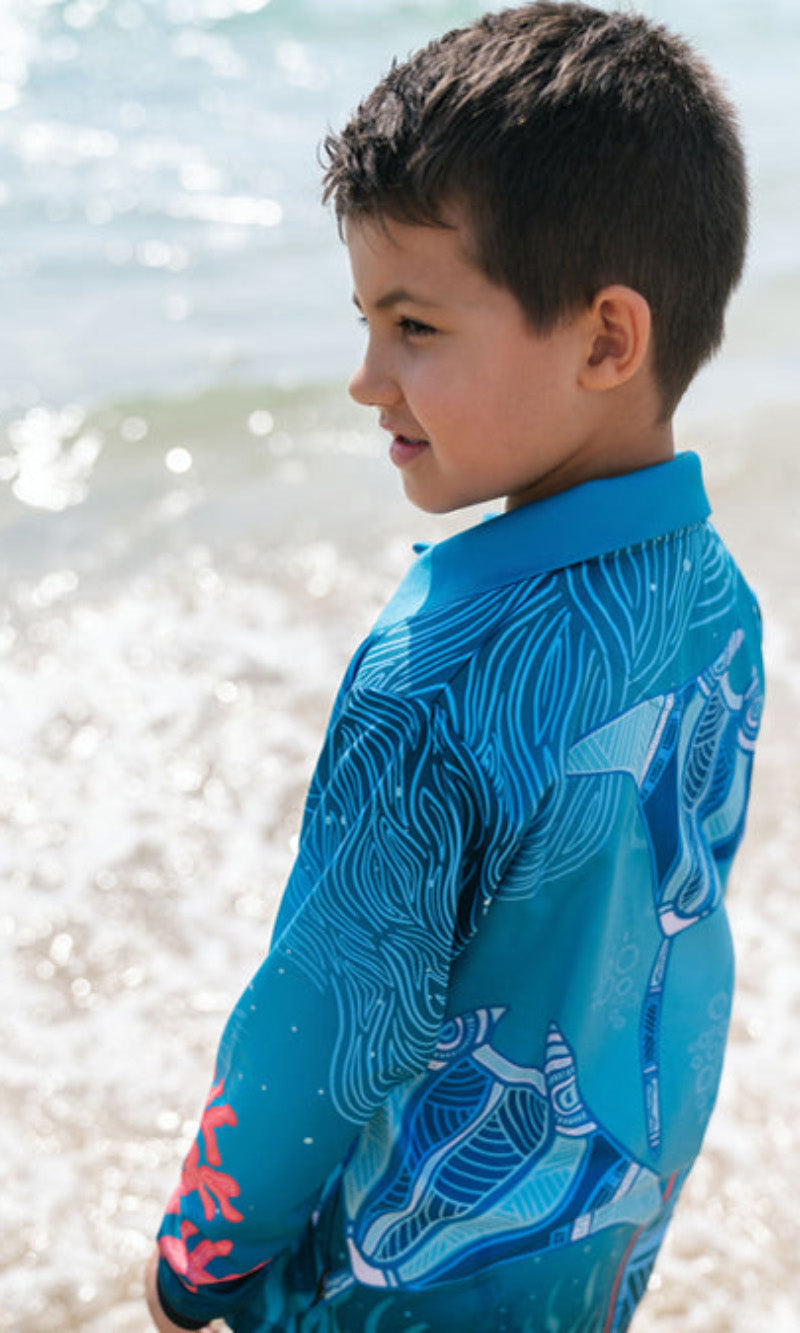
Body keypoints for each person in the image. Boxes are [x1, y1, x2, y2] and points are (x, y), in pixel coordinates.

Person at [146, 4, 764, 1330]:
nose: (367, 378)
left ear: (606, 340)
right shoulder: (720, 601)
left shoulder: (432, 686)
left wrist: (194, 1262)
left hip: (390, 1287)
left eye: (415, 325)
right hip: (597, 1242)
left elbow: (322, 1029)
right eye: (367, 320)